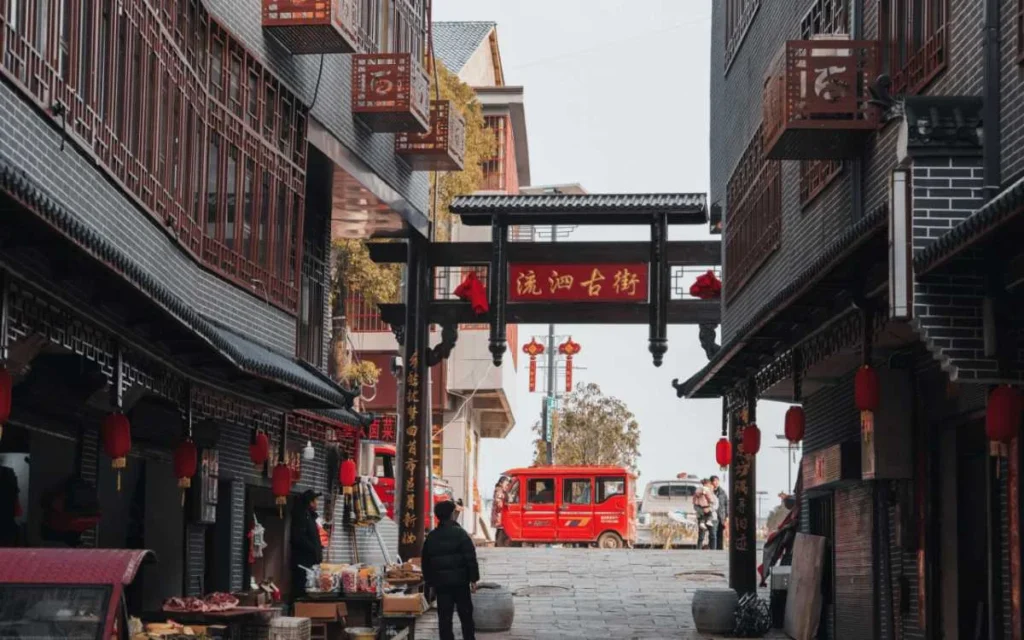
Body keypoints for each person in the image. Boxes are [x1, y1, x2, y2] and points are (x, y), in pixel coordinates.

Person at [422, 500, 479, 640]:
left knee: (444, 618)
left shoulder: (431, 537)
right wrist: (473, 579)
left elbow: (426, 563)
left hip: (442, 585)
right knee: (466, 616)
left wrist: (430, 583)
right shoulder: (461, 534)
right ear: (452, 514)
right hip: (461, 583)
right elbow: (470, 558)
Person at [290, 490, 323, 602]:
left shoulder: (311, 516)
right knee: (302, 589)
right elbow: (298, 537)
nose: (317, 503)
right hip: (304, 563)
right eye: (316, 500)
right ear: (310, 502)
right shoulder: (302, 515)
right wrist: (313, 549)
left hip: (312, 563)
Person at [692, 479, 713, 549]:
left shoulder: (698, 489)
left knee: (702, 515)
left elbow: (695, 497)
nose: (710, 486)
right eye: (710, 484)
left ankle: (702, 523)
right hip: (704, 505)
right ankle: (707, 521)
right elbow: (709, 497)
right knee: (708, 514)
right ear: (707, 484)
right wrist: (711, 501)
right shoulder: (706, 489)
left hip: (698, 505)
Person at [711, 475, 728, 550]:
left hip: (721, 516)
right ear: (711, 482)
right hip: (712, 516)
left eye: (717, 481)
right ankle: (713, 548)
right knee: (713, 533)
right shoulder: (709, 492)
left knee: (720, 533)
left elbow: (726, 504)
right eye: (714, 481)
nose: (716, 482)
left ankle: (720, 549)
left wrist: (727, 516)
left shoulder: (722, 492)